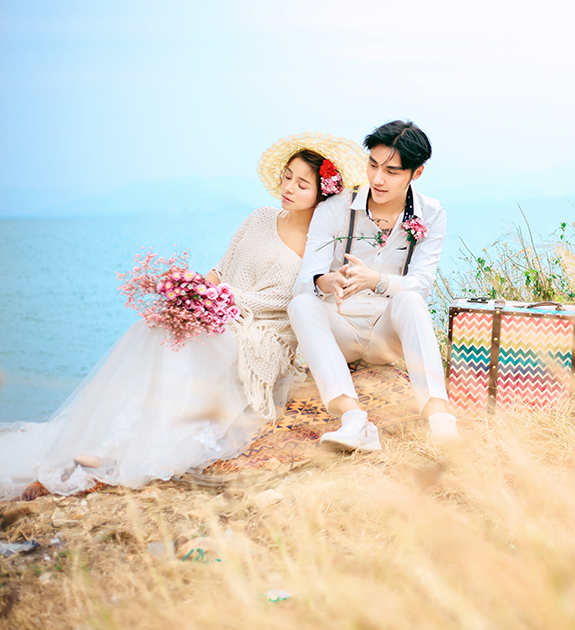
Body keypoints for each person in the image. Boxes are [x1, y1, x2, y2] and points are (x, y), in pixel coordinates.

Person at [0, 133, 367, 500]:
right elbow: (220, 271)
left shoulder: (321, 245)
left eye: (302, 184)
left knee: (208, 341)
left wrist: (226, 306)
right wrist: (192, 297)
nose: (288, 188)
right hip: (221, 308)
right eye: (287, 177)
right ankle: (113, 440)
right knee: (158, 328)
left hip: (264, 332)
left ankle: (129, 448)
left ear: (322, 194)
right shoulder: (259, 218)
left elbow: (300, 298)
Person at [289, 120, 459, 451]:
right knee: (301, 303)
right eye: (373, 165)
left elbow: (422, 285)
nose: (378, 179)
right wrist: (327, 280)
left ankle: (441, 420)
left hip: (387, 335)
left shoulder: (432, 213)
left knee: (411, 300)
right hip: (341, 328)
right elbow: (305, 280)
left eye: (391, 171)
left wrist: (378, 281)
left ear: (416, 173)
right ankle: (354, 421)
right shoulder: (335, 208)